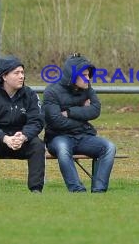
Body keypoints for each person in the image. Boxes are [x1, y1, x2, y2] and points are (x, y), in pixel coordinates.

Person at [43, 53, 116, 193]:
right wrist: (82, 116)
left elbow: (95, 110)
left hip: (83, 137)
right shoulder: (51, 92)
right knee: (63, 150)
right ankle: (77, 190)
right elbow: (56, 121)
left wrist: (69, 112)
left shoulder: (87, 89)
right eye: (84, 75)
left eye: (89, 75)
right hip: (58, 137)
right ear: (73, 75)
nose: (88, 79)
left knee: (109, 147)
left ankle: (99, 191)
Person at [0, 56, 45, 192]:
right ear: (4, 76)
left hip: (21, 139)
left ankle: (36, 190)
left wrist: (24, 136)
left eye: (22, 72)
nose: (21, 76)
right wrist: (5, 138)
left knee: (37, 144)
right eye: (16, 73)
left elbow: (37, 121)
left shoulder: (30, 95)